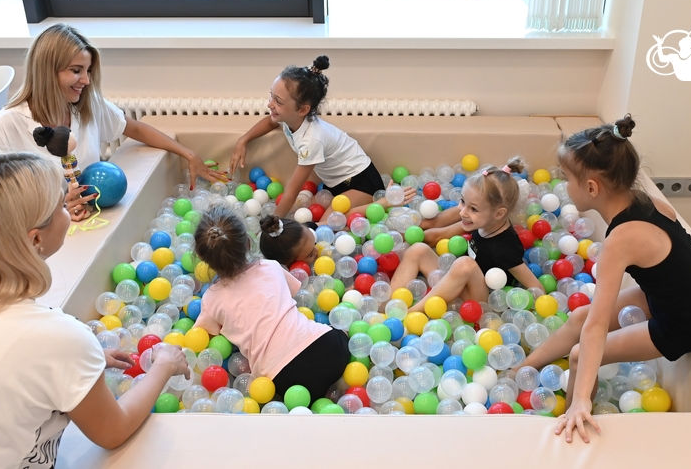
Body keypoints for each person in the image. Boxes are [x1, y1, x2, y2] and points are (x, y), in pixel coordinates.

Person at [0, 152, 190, 468]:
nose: (69, 209)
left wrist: (76, 364)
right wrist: (164, 365)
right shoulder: (57, 338)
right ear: (36, 238)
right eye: (59, 207)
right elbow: (114, 429)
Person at [519, 114, 691, 443]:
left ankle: (573, 420)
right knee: (578, 316)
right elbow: (680, 270)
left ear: (592, 188)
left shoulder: (621, 239)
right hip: (674, 297)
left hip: (683, 323)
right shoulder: (647, 202)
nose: (564, 186)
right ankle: (520, 369)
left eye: (566, 178)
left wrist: (580, 398)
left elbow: (596, 326)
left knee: (582, 353)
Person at [0, 23, 225, 222]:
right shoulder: (9, 123)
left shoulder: (87, 106)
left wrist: (188, 154)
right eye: (76, 70)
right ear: (47, 71)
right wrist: (58, 208)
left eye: (88, 71)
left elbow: (134, 127)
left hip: (89, 220)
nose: (86, 80)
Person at [193, 205, 349, 402]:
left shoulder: (211, 299)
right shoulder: (270, 267)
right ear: (248, 244)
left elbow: (203, 334)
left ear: (202, 259)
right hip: (328, 348)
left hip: (286, 379)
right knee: (342, 333)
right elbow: (291, 293)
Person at [229, 55, 413, 220]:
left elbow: (292, 189)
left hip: (360, 182)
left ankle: (385, 203)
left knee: (326, 224)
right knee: (310, 212)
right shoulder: (288, 117)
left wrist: (273, 222)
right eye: (271, 96)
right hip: (334, 184)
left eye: (278, 101)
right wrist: (243, 140)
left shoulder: (312, 139)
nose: (270, 104)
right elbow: (269, 122)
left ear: (302, 110)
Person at [390, 157, 543, 313]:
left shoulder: (505, 247)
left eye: (473, 209)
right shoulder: (482, 222)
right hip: (457, 282)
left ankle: (411, 314)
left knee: (465, 265)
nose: (462, 212)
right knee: (418, 250)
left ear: (498, 214)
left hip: (478, 305)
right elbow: (437, 235)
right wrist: (397, 237)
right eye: (463, 201)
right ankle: (389, 305)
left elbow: (537, 288)